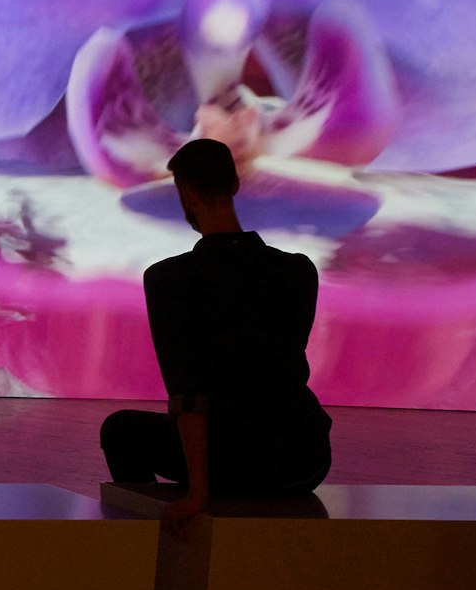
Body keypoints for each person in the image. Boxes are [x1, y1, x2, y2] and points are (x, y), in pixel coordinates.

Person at [101, 138, 332, 536]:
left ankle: (146, 546)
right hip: (303, 458)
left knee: (119, 431)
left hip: (232, 461)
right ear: (235, 184)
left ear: (186, 195)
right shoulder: (298, 270)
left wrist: (198, 494)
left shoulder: (168, 279)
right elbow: (282, 363)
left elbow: (188, 394)